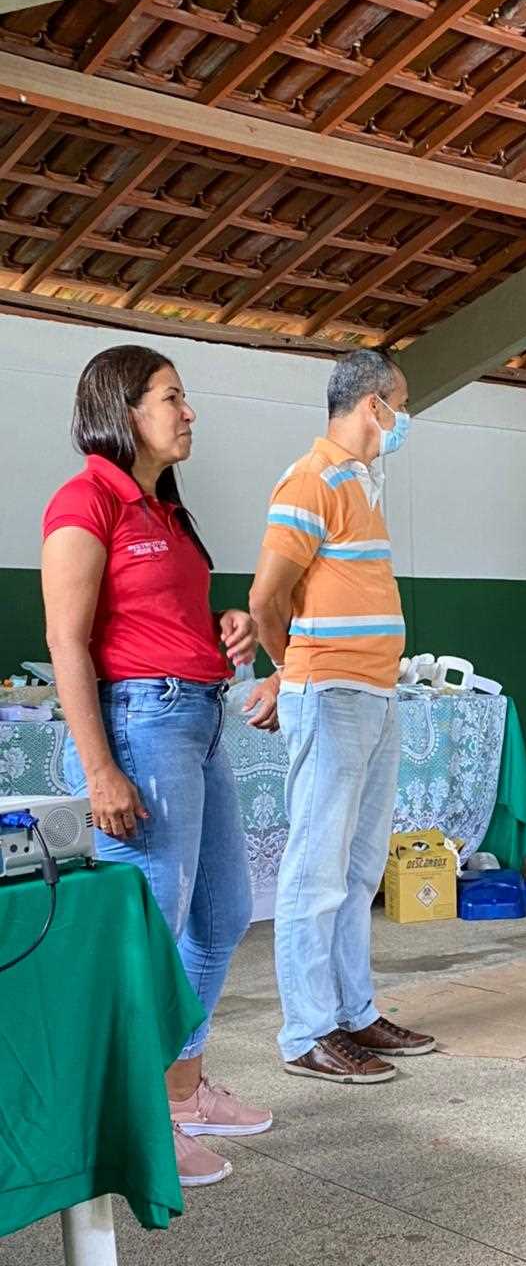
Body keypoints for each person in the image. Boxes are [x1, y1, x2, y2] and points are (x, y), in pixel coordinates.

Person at [42, 345, 271, 1187]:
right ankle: (135, 1115)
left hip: (197, 718)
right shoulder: (86, 499)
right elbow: (66, 640)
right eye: (172, 397)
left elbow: (160, 617)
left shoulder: (165, 509)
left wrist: (228, 627)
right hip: (139, 727)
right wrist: (101, 769)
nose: (188, 411)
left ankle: (180, 1089)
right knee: (151, 935)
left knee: (221, 916)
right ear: (122, 407)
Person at [246, 348, 435, 1083]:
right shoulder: (313, 478)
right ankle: (307, 1033)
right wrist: (291, 668)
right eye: (401, 404)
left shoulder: (362, 483)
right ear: (372, 405)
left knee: (358, 871)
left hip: (376, 695)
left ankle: (354, 1012)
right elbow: (268, 598)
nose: (403, 419)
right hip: (330, 695)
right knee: (315, 872)